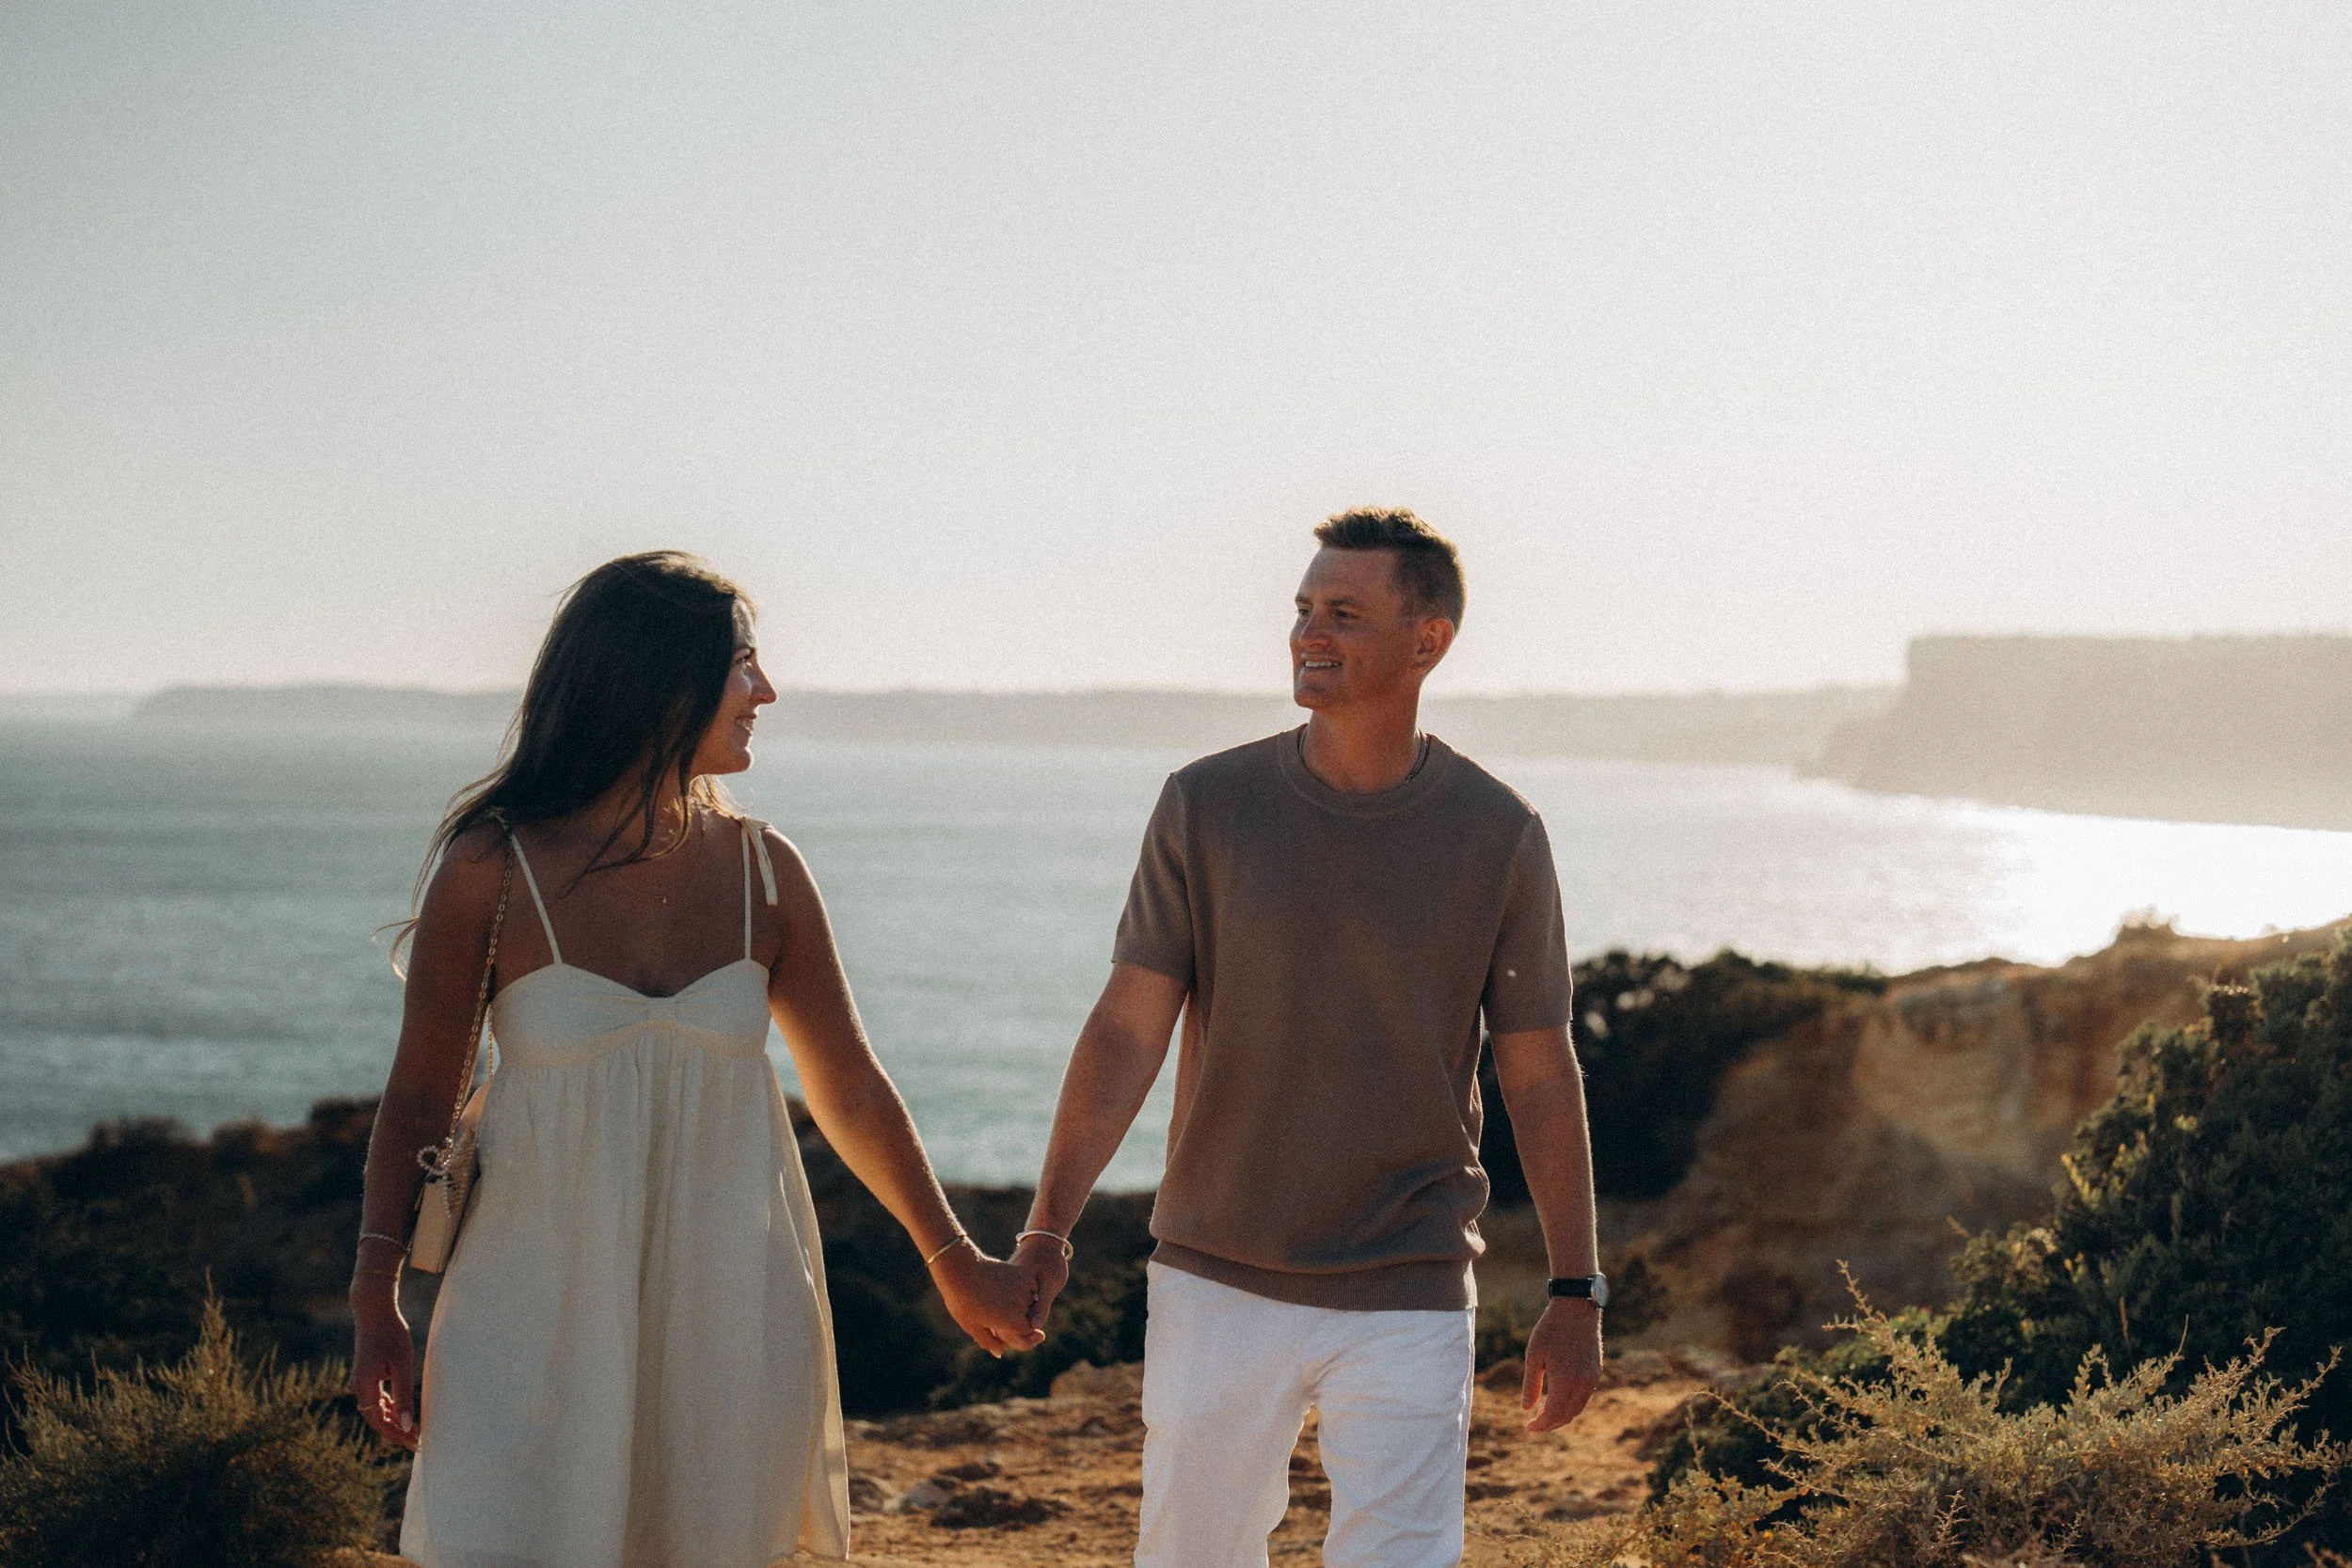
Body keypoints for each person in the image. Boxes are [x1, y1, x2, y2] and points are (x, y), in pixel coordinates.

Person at [349, 551, 1041, 1568]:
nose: (766, 691)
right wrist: (377, 1303)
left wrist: (953, 1259)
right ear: (659, 680)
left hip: (730, 1307)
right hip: (528, 1312)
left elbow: (847, 1082)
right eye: (744, 666)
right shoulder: (493, 865)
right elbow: (416, 1100)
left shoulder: (768, 870)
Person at [1013, 510, 1605, 1568]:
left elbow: (1537, 1067)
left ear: (1428, 640)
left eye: (1342, 612)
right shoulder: (1206, 803)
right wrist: (1048, 1227)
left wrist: (1575, 1289)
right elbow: (1125, 1030)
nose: (1306, 633)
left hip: (1411, 1274)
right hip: (1214, 1272)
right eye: (1301, 609)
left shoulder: (1496, 831)